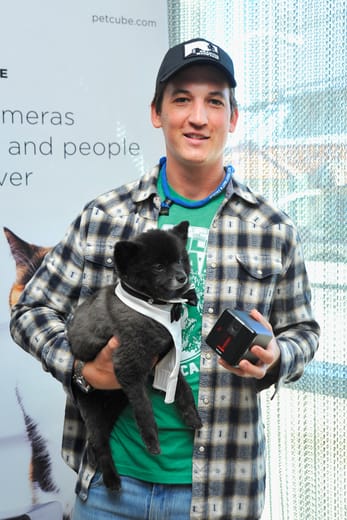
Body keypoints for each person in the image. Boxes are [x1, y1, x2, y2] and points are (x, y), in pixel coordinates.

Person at [10, 37, 320, 520]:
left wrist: (279, 356)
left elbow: (304, 332)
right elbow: (31, 307)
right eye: (182, 99)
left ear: (232, 119)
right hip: (112, 490)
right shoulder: (105, 216)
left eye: (214, 101)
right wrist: (78, 367)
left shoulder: (272, 228)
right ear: (157, 113)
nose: (198, 116)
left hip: (221, 491)